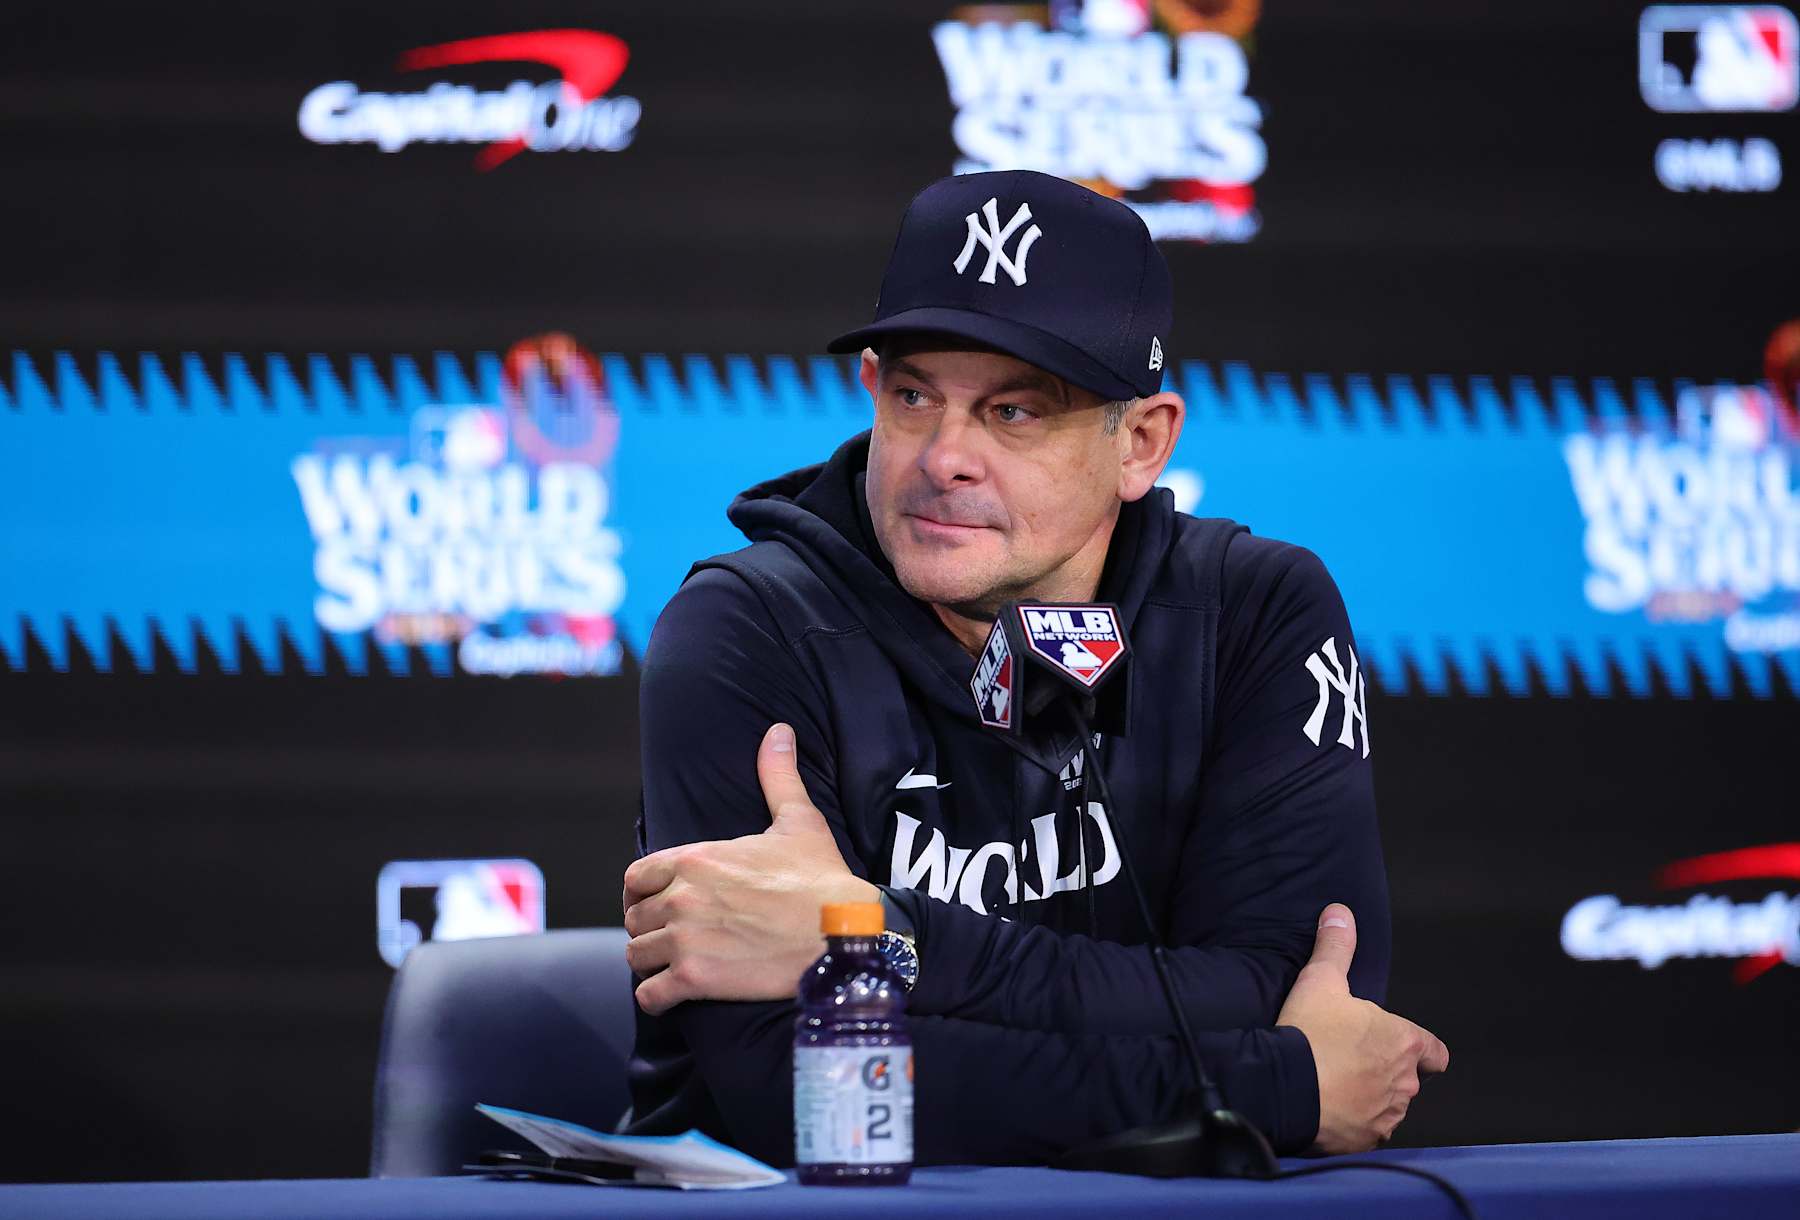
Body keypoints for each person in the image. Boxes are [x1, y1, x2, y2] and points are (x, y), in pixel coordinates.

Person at [619, 169, 1448, 1166]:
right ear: (872, 389)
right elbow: (798, 1088)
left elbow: (1294, 989)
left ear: (1141, 443)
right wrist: (1269, 1084)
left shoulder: (1255, 614)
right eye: (916, 396)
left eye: (1014, 412)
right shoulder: (743, 629)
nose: (944, 458)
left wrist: (881, 940)